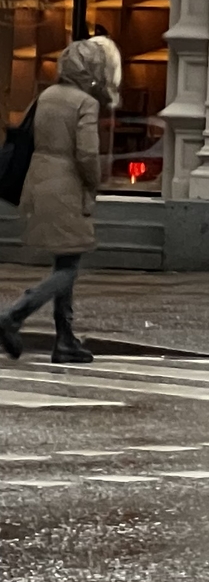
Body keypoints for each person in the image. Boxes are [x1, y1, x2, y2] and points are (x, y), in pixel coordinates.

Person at [1, 35, 120, 364]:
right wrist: (94, 181)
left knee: (66, 260)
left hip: (38, 183)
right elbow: (86, 153)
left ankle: (65, 340)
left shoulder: (47, 96)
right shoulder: (86, 103)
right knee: (69, 267)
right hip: (67, 187)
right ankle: (14, 314)